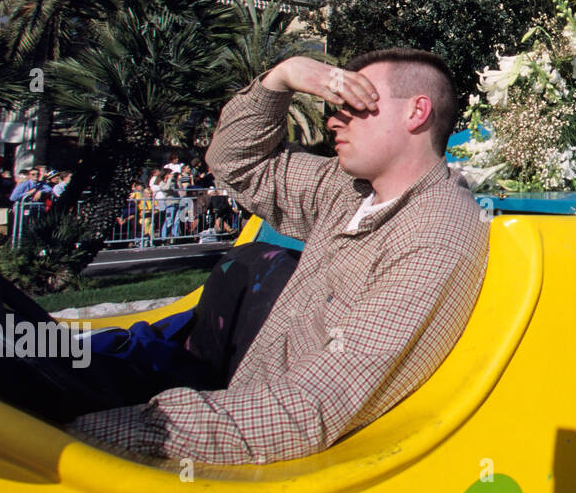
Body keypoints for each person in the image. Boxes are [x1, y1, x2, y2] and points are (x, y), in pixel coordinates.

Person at [56, 49, 489, 464]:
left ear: (416, 112)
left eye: (353, 104)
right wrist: (281, 78)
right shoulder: (347, 189)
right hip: (224, 399)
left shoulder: (434, 235)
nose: (333, 119)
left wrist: (86, 434)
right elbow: (234, 164)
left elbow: (306, 408)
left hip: (235, 446)